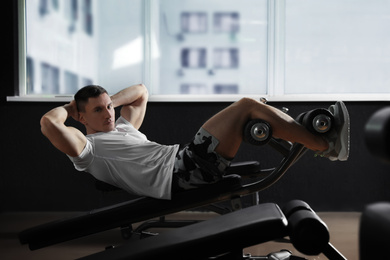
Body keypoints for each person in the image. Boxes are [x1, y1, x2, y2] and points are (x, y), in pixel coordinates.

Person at [40, 84, 350, 199]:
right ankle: (324, 145)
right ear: (81, 119)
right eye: (98, 111)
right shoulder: (87, 150)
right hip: (181, 173)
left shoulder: (122, 127)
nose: (108, 113)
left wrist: (107, 101)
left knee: (253, 105)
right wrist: (70, 108)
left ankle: (312, 135)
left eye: (108, 107)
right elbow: (47, 123)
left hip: (186, 164)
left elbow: (141, 91)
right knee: (245, 106)